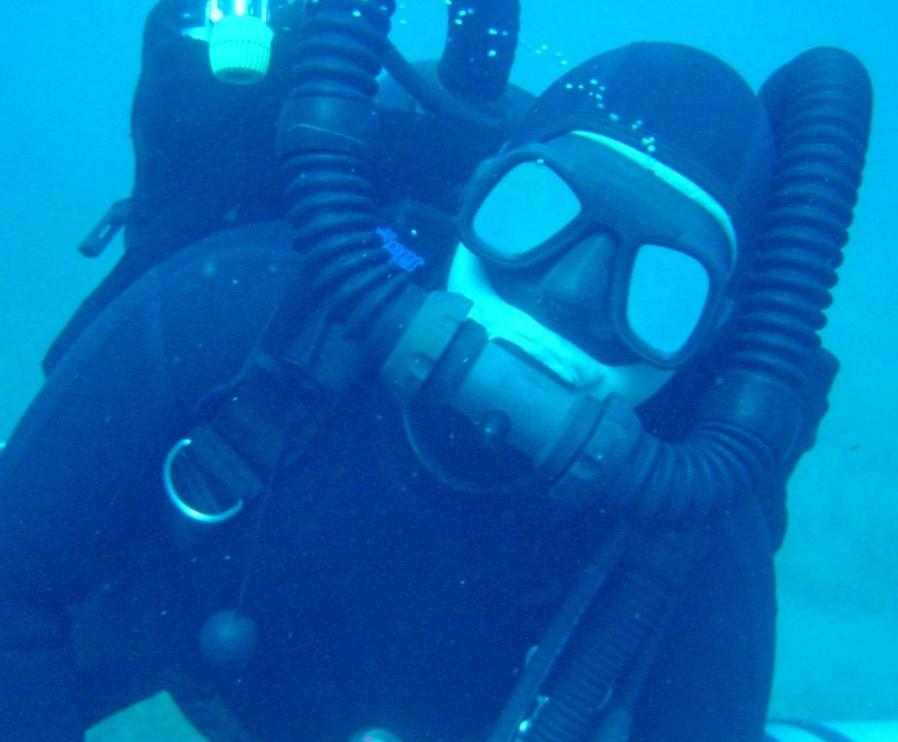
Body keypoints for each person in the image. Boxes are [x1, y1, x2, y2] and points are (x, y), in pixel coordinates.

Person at [0, 2, 872, 741]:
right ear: (471, 197)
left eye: (658, 286)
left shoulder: (690, 533)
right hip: (167, 635)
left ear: (708, 337)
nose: (566, 294)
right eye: (539, 211)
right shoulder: (236, 313)